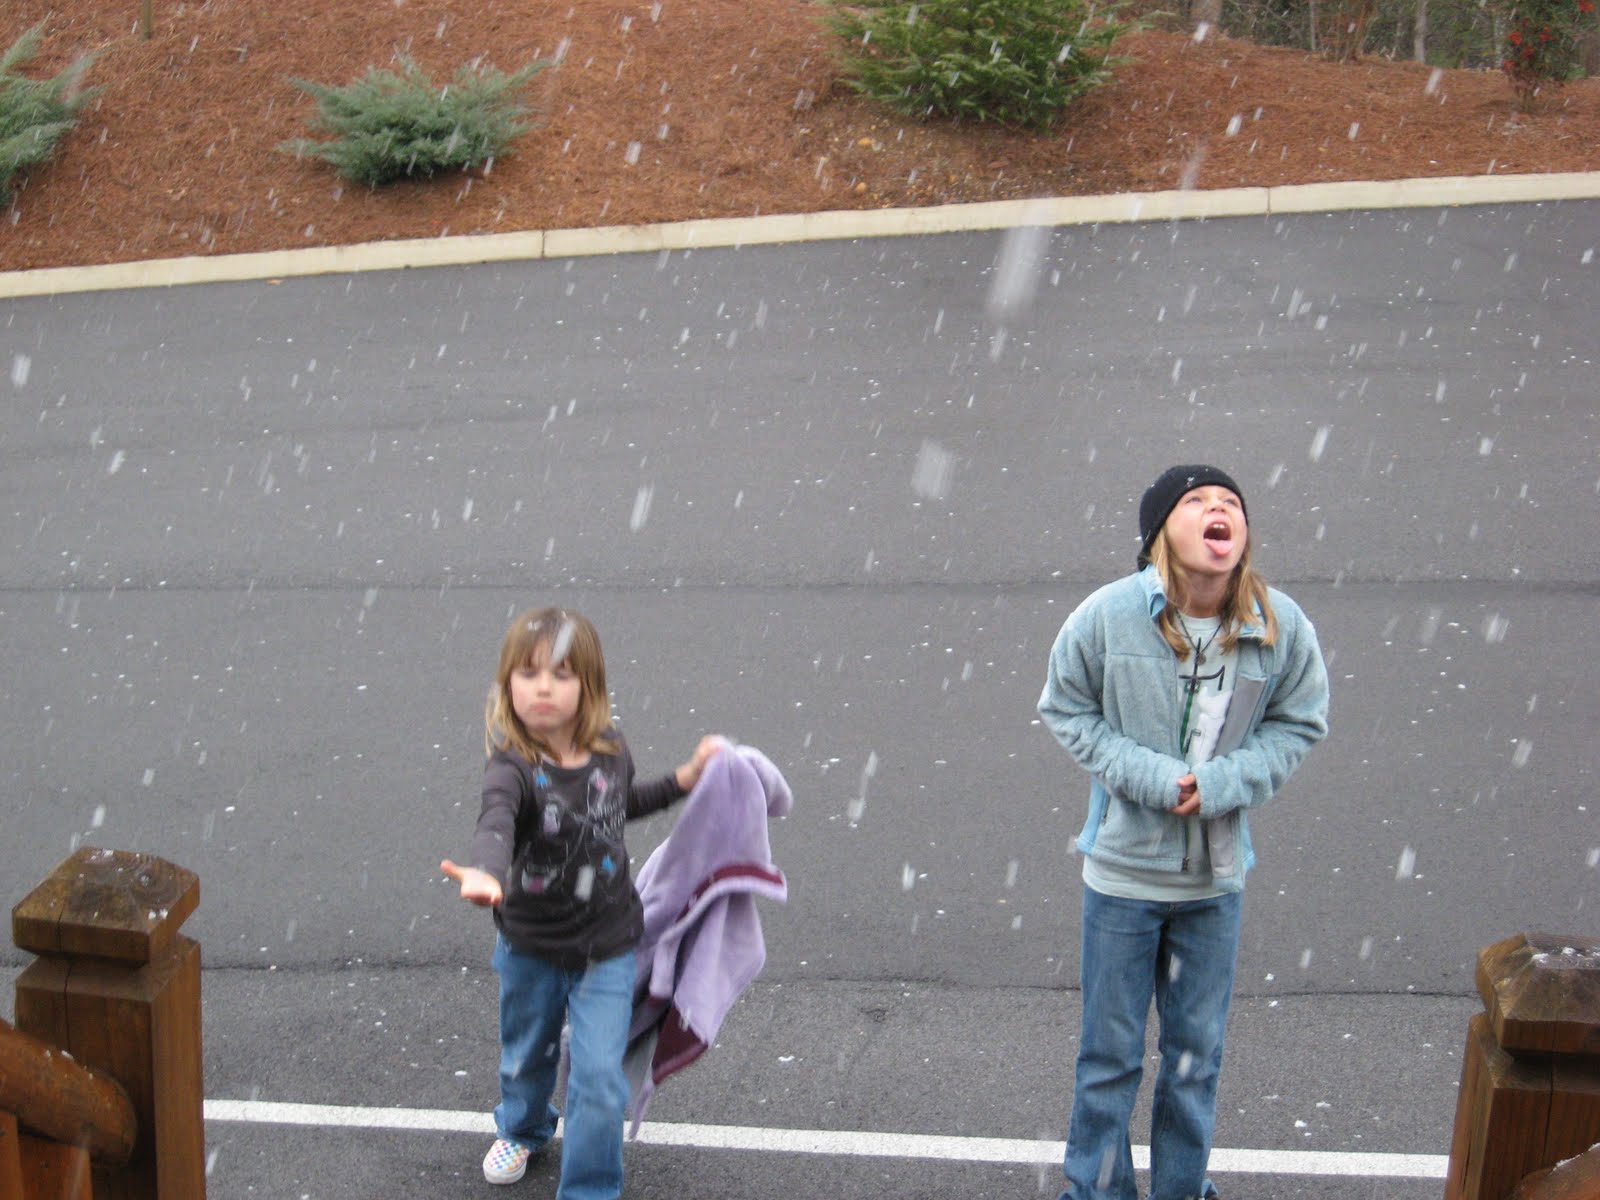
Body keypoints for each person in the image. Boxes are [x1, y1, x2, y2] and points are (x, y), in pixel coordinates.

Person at [1037, 465, 1329, 1200]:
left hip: (1213, 885)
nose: (1216, 509)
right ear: (1161, 532)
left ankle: (1181, 1192)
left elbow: (1300, 723)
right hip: (1121, 880)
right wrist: (1152, 778)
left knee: (1196, 1062)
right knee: (1109, 1061)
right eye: (1195, 501)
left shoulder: (1277, 623)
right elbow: (1066, 707)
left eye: (1230, 502)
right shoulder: (1107, 616)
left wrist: (1225, 784)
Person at [441, 606, 722, 1194]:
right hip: (531, 946)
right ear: (507, 685)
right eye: (528, 673)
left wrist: (684, 780)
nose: (543, 687)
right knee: (527, 1055)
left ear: (589, 686)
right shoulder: (513, 767)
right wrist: (487, 872)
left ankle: (590, 1188)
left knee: (598, 1079)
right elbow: (495, 823)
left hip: (607, 945)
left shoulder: (610, 751)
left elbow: (619, 806)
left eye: (561, 674)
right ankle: (523, 1127)